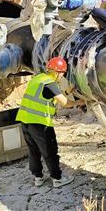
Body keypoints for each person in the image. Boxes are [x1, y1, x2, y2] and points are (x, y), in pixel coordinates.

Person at [15, 56, 81, 188]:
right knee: (50, 151)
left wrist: (67, 91)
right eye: (62, 73)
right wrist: (82, 101)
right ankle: (57, 179)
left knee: (33, 151)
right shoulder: (50, 83)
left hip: (25, 121)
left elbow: (48, 96)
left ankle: (38, 177)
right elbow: (66, 103)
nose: (62, 76)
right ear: (57, 72)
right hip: (40, 124)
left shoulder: (38, 79)